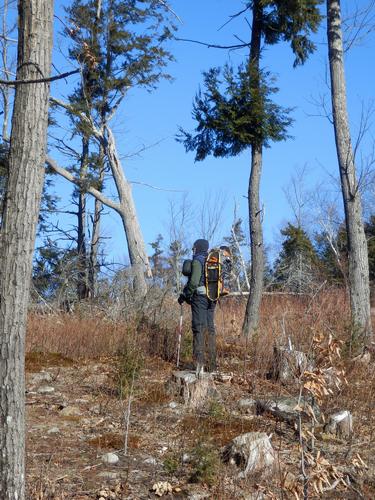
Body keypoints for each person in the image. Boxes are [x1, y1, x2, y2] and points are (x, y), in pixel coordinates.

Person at [178, 239, 217, 374]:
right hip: (212, 298)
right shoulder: (212, 261)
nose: (192, 250)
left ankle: (199, 365)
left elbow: (194, 282)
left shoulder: (198, 260)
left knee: (199, 329)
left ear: (197, 248)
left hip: (200, 298)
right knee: (210, 330)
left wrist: (185, 295)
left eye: (193, 248)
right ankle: (211, 366)